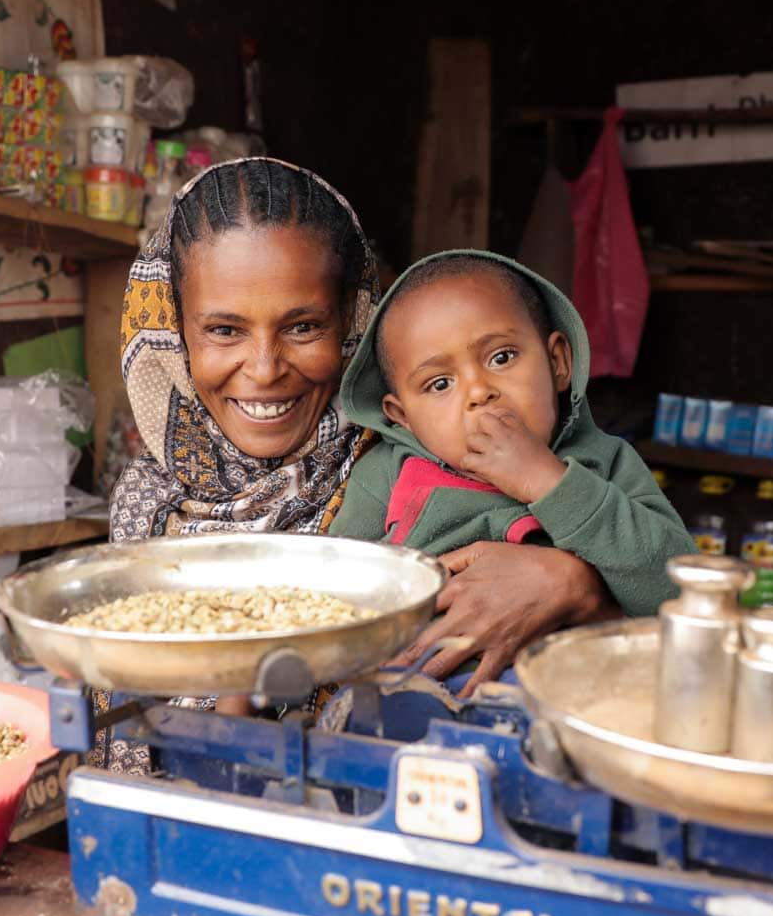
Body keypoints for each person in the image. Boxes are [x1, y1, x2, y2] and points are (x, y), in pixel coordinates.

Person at [99, 160, 617, 752]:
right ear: (174, 332)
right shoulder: (147, 505)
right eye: (224, 330)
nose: (265, 368)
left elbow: (643, 632)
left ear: (351, 320)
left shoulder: (428, 452)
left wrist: (577, 583)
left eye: (303, 327)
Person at [330, 250, 694, 693]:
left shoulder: (606, 463)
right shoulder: (387, 475)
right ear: (402, 416)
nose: (479, 392)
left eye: (501, 357)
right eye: (439, 384)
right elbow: (336, 597)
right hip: (412, 708)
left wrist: (550, 481)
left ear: (558, 362)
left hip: (575, 711)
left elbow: (678, 595)